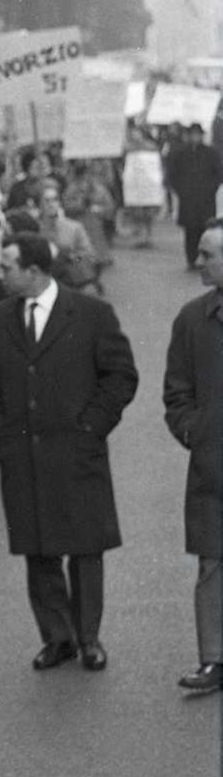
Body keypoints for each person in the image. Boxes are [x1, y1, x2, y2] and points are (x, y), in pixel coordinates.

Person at [0, 235, 140, 671]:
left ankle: (89, 637)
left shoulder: (91, 314)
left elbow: (120, 376)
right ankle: (57, 637)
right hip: (23, 453)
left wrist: (92, 427)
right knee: (38, 548)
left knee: (85, 547)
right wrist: (0, 433)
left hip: (76, 451)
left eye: (7, 264)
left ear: (34, 270)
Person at [164, 219, 223, 693]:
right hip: (213, 465)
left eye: (207, 254)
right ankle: (214, 660)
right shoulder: (191, 320)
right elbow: (176, 392)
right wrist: (195, 433)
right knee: (212, 564)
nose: (198, 262)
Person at [168, 128, 222, 269]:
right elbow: (173, 174)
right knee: (190, 230)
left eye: (197, 135)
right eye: (193, 134)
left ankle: (205, 258)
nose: (195, 137)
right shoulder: (181, 153)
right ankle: (191, 259)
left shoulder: (210, 153)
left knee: (206, 229)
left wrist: (211, 189)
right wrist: (180, 190)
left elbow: (218, 173)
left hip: (206, 198)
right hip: (188, 199)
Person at [34, 179, 100, 291]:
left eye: (55, 200)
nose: (51, 204)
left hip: (69, 280)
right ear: (39, 204)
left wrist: (71, 256)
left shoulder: (74, 227)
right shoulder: (33, 227)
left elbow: (89, 255)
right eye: (46, 200)